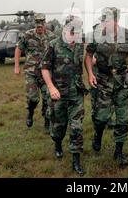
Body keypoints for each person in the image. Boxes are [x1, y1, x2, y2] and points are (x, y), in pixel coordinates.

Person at [85, 7, 128, 168]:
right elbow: (88, 56)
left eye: (108, 20)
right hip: (103, 80)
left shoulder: (127, 34)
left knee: (123, 119)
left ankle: (119, 150)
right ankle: (98, 134)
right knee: (101, 117)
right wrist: (90, 74)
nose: (105, 24)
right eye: (103, 20)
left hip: (122, 81)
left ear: (116, 20)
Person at [41, 15, 86, 175]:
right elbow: (45, 68)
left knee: (77, 127)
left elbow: (87, 56)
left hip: (76, 93)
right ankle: (58, 144)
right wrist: (51, 87)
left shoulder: (80, 44)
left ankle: (76, 160)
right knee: (58, 128)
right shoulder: (53, 45)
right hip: (58, 93)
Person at [14, 13, 56, 129]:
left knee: (48, 97)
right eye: (37, 26)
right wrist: (16, 66)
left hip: (46, 73)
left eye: (41, 26)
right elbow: (18, 49)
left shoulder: (52, 36)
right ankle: (30, 113)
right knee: (33, 98)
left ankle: (47, 120)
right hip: (31, 72)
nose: (39, 28)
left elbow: (55, 53)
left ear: (45, 25)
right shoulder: (28, 35)